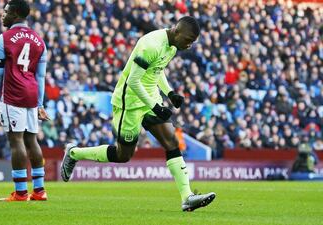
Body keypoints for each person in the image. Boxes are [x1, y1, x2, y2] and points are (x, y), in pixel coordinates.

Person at [61, 16, 216, 212]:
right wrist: (156, 106)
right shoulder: (150, 44)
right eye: (188, 40)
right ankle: (74, 153)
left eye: (192, 42)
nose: (189, 45)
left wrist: (169, 93)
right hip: (130, 103)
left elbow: (156, 70)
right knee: (123, 155)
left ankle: (187, 197)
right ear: (177, 31)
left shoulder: (173, 45)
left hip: (150, 99)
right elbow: (133, 81)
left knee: (172, 142)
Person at [0, 0, 50, 202]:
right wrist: (40, 104)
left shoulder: (3, 39)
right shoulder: (39, 41)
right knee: (32, 140)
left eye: (5, 11)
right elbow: (41, 77)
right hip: (32, 95)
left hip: (12, 94)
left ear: (15, 14)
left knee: (16, 141)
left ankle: (21, 192)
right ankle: (39, 191)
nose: (2, 15)